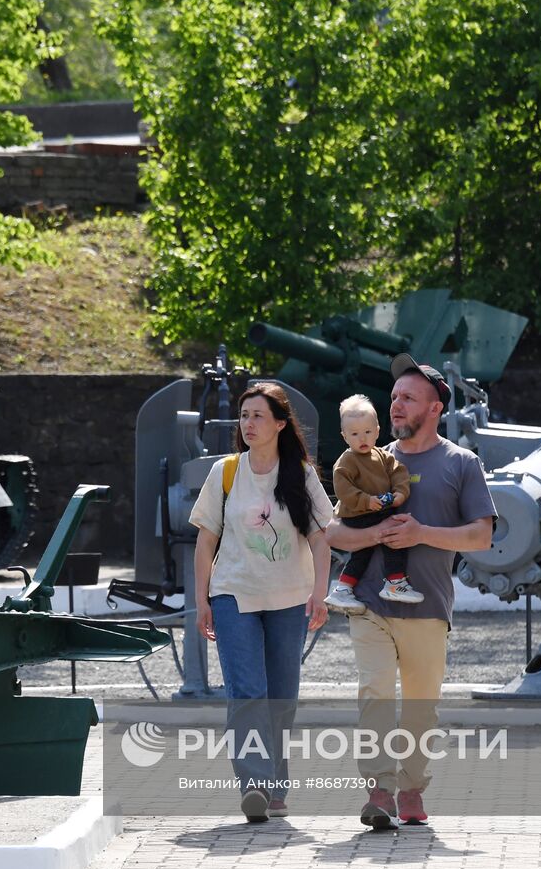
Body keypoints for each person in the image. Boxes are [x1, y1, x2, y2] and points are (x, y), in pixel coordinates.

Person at [324, 354, 495, 830]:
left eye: (408, 398)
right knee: (375, 695)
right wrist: (375, 536)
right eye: (394, 397)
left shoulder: (462, 464)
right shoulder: (367, 459)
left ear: (435, 406)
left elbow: (480, 536)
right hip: (369, 604)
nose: (396, 406)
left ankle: (412, 788)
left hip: (428, 606)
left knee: (421, 706)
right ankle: (379, 790)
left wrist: (421, 533)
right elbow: (334, 532)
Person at [190, 382, 333, 823]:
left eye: (257, 416)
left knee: (282, 696)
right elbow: (205, 540)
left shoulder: (301, 475)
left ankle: (275, 785)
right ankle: (254, 784)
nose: (248, 423)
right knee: (249, 691)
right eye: (244, 415)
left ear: (279, 424)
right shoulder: (225, 472)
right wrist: (202, 601)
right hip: (234, 594)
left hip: (290, 598)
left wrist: (319, 593)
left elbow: (321, 538)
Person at [325, 394, 423, 612]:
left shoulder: (382, 455)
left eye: (368, 432)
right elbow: (343, 489)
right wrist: (366, 501)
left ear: (377, 431)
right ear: (344, 436)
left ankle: (343, 588)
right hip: (357, 513)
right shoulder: (346, 461)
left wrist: (399, 493)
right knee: (393, 535)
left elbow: (399, 473)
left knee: (363, 553)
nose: (362, 439)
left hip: (377, 509)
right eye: (355, 434)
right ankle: (395, 581)